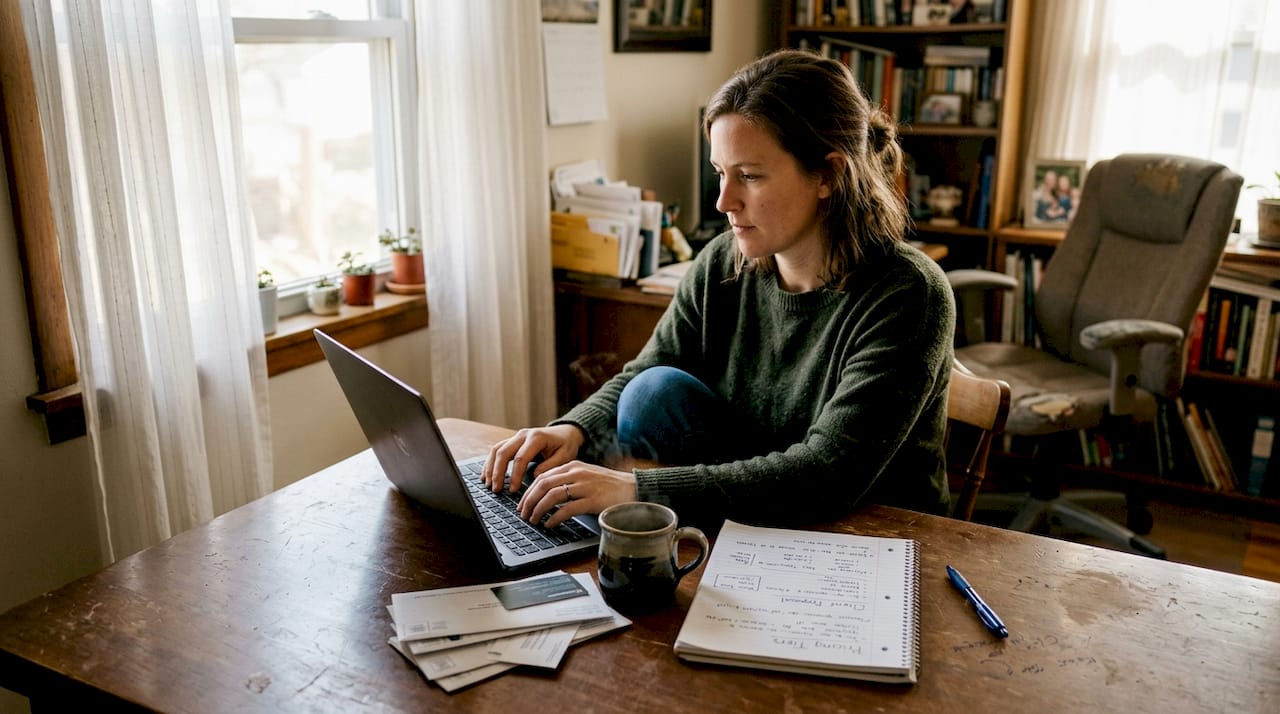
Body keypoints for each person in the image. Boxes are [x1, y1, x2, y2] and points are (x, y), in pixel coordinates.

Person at [482, 49, 956, 530]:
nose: (724, 201)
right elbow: (649, 368)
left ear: (828, 175)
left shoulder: (909, 294)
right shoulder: (724, 261)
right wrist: (573, 427)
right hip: (761, 507)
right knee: (651, 390)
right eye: (721, 173)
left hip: (872, 534)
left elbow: (828, 473)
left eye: (749, 176)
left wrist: (635, 489)